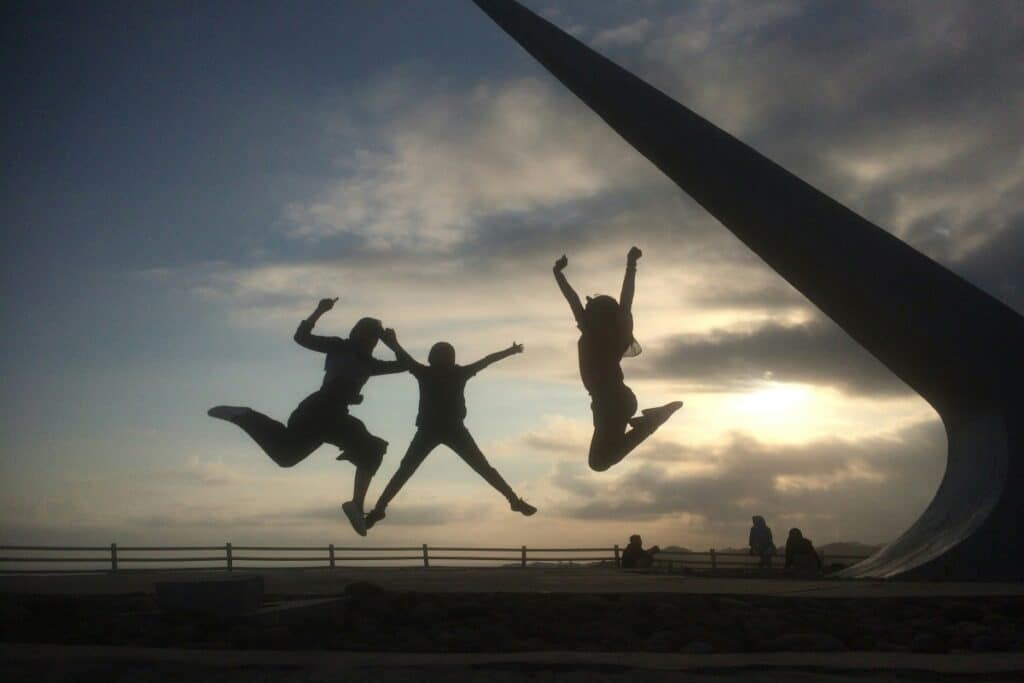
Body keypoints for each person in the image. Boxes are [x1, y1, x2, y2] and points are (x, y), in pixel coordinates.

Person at [208, 297, 404, 536]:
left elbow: (404, 366)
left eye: (374, 338)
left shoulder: (370, 364)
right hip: (321, 410)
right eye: (367, 335)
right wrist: (319, 311)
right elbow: (302, 338)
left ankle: (246, 416)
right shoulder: (340, 346)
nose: (370, 341)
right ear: (356, 334)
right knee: (370, 450)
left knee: (287, 457)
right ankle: (247, 416)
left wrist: (392, 344)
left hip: (329, 415)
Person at [363, 329, 537, 530]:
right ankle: (513, 500)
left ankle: (379, 510)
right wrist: (510, 351)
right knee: (483, 468)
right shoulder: (457, 372)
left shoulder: (427, 372)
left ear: (431, 358)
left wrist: (391, 341)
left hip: (436, 430)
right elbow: (486, 360)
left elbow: (405, 358)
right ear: (451, 358)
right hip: (448, 430)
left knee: (405, 471)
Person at [553, 247, 683, 471]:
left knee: (599, 462)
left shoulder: (595, 331)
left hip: (611, 401)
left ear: (597, 313)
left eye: (589, 306)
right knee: (600, 460)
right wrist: (558, 275)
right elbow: (579, 300)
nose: (584, 307)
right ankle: (650, 422)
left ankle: (652, 421)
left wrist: (631, 264)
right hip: (612, 401)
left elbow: (623, 299)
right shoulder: (603, 332)